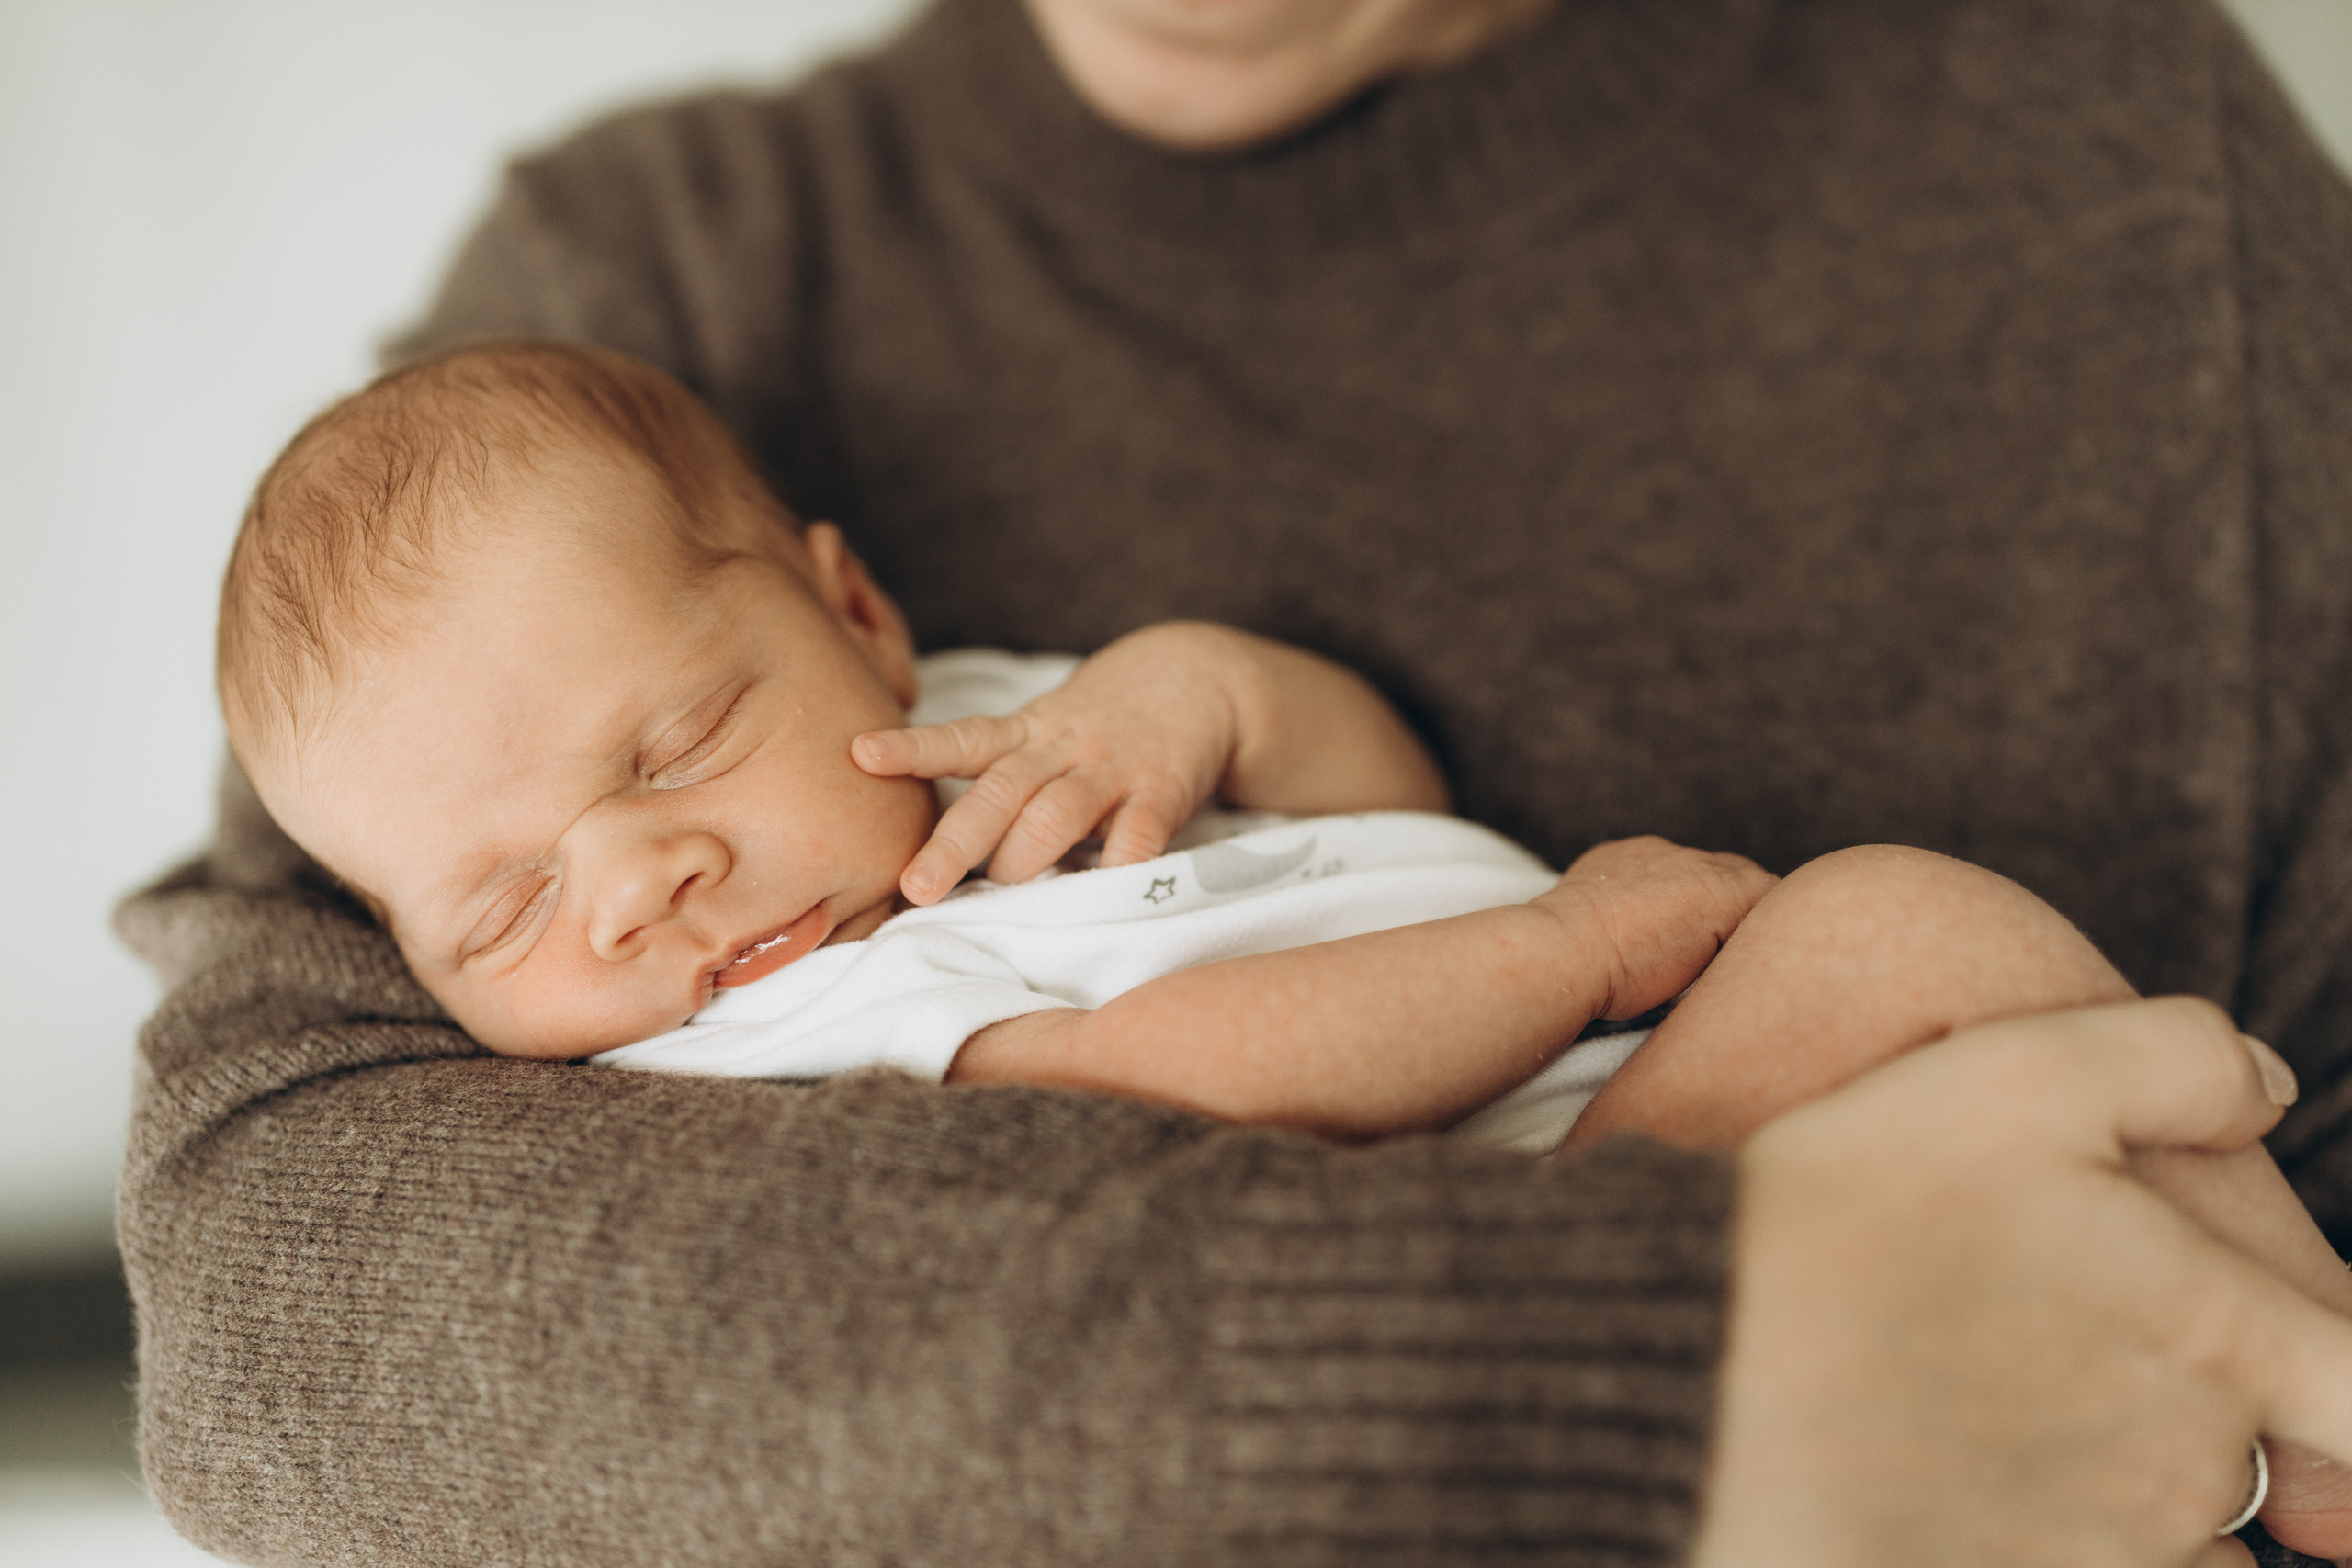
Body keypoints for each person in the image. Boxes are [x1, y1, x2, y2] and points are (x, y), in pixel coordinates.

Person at [116, 0, 2352, 1562]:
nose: (631, 887)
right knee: (1901, 945)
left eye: (681, 741)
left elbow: (1367, 817)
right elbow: (261, 1306)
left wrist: (1204, 695)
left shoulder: (2115, 146)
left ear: (856, 612)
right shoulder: (780, 1004)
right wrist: (1672, 1285)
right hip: (1577, 1154)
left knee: (1944, 951)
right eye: (491, 914)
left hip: (1842, 1208)